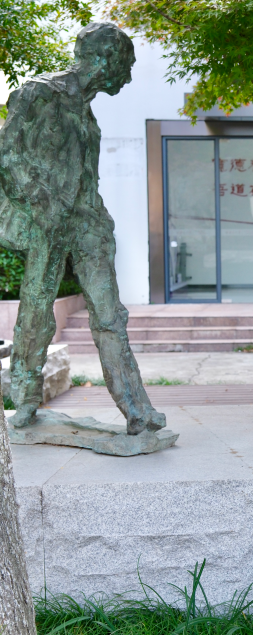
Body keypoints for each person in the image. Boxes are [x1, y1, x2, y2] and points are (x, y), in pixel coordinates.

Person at [1, 22, 167, 435]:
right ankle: (25, 400)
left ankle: (137, 409)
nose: (128, 76)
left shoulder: (87, 114)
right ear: (105, 59)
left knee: (111, 315)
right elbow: (8, 155)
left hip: (86, 223)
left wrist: (98, 215)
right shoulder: (38, 93)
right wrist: (40, 202)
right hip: (46, 220)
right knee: (36, 311)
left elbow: (85, 176)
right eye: (127, 65)